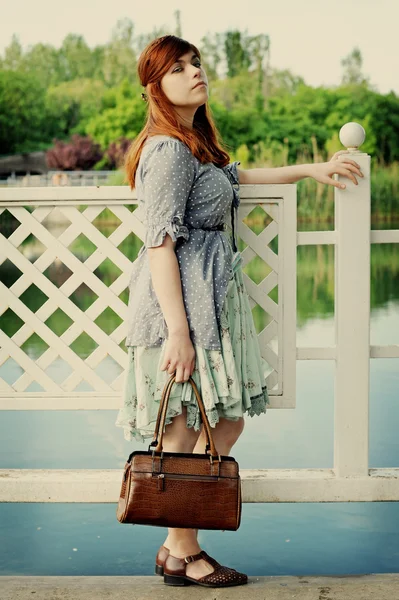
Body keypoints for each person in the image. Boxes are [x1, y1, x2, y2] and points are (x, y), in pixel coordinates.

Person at [115, 35, 363, 588]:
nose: (194, 72)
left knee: (220, 417)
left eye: (196, 63)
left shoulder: (192, 145)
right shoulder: (168, 151)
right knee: (188, 430)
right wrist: (178, 330)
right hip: (180, 308)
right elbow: (158, 243)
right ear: (156, 87)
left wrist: (309, 170)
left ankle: (175, 548)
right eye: (178, 68)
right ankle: (184, 553)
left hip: (204, 302)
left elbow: (236, 179)